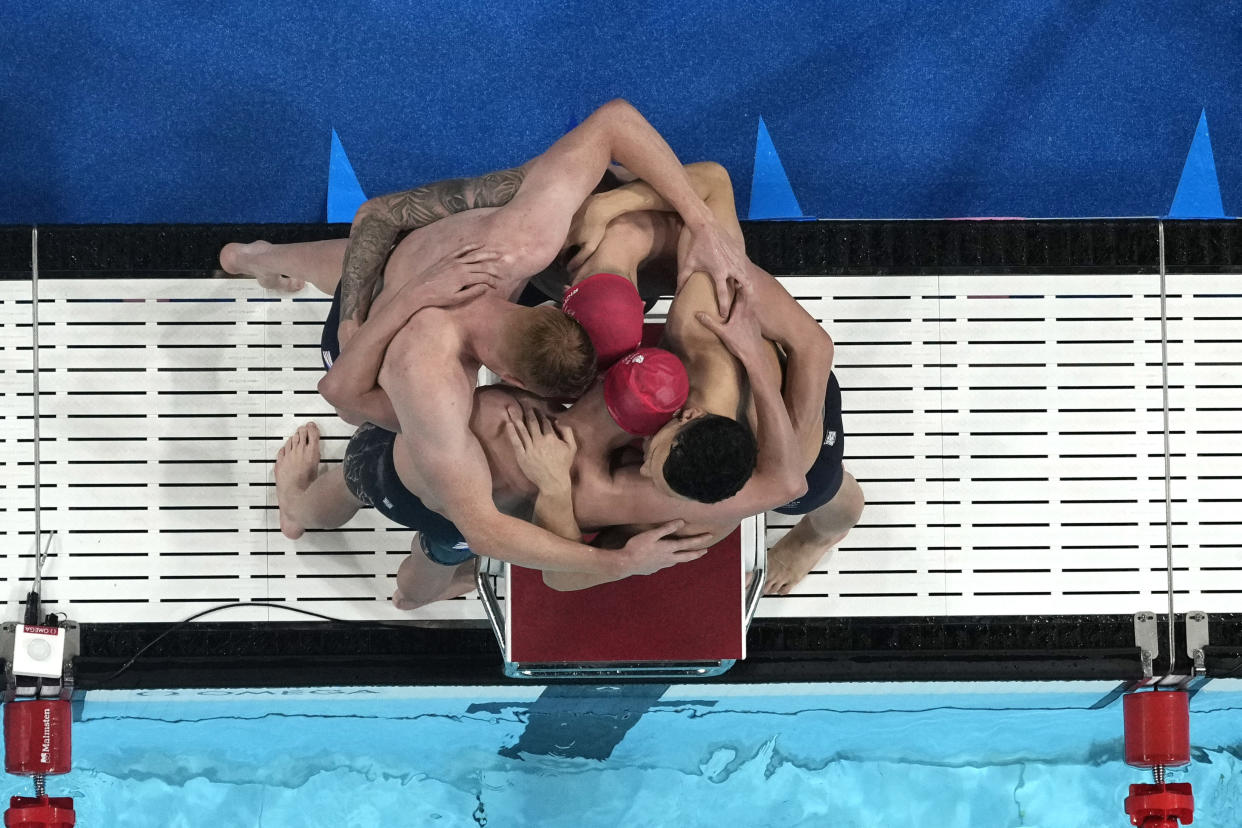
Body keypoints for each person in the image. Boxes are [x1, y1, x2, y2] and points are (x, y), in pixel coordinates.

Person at [238, 100, 751, 602]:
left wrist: (701, 223)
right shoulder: (434, 383)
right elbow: (350, 403)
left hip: (418, 295)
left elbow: (616, 119)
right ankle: (302, 512)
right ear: (510, 377)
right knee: (379, 494)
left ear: (552, 309)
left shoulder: (521, 239)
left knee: (382, 269)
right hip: (387, 392)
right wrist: (619, 561)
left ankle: (255, 257)